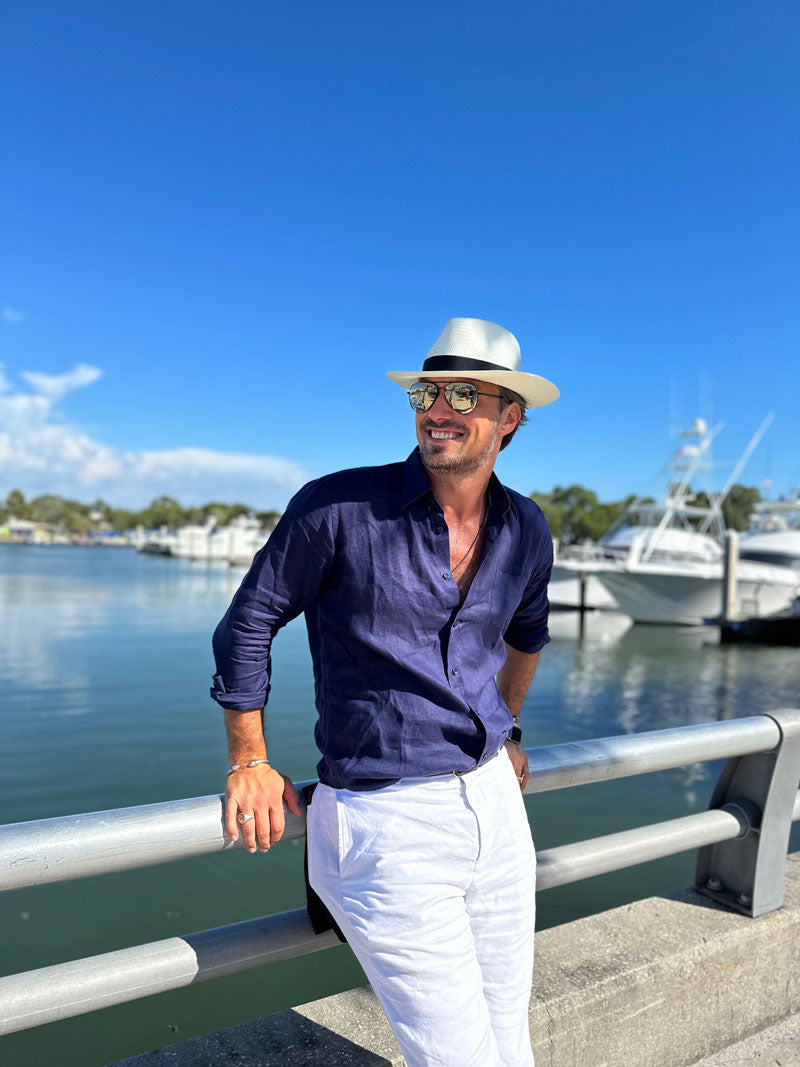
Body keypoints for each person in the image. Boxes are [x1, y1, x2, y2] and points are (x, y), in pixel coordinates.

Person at [210, 317, 559, 1066]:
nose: (440, 407)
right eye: (428, 391)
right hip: (385, 817)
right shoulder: (335, 508)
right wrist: (250, 758)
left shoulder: (526, 529)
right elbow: (247, 623)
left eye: (466, 393)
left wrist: (509, 731)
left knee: (511, 1042)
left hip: (495, 808)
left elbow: (526, 634)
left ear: (509, 418)